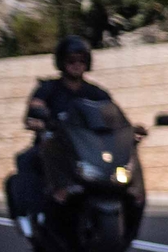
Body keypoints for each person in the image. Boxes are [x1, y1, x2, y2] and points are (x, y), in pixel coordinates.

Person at [13, 37, 108, 224]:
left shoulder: (95, 92)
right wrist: (38, 121)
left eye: (81, 60)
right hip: (53, 144)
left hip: (88, 148)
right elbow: (34, 110)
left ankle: (131, 198)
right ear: (62, 63)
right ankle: (30, 214)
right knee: (27, 160)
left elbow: (112, 112)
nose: (76, 65)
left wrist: (130, 127)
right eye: (71, 60)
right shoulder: (48, 88)